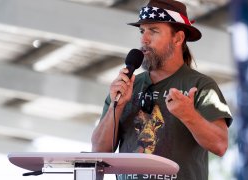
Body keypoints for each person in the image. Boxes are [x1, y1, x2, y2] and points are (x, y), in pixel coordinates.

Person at [91, 0, 233, 179]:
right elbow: (98, 151)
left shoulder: (201, 85)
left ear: (178, 38)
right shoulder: (126, 86)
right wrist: (116, 106)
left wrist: (188, 114)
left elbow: (220, 145)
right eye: (142, 31)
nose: (144, 39)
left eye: (154, 30)